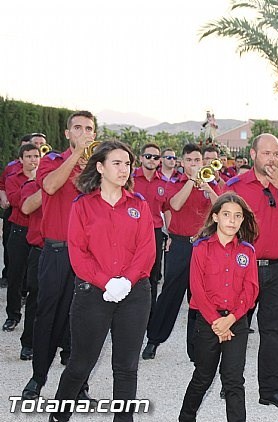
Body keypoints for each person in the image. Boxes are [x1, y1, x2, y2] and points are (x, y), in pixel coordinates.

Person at [48, 140, 155, 422]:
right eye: (116, 163)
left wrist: (127, 282)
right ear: (100, 167)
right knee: (80, 365)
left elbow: (147, 250)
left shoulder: (139, 205)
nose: (124, 169)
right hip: (93, 293)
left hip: (134, 294)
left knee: (126, 367)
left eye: (127, 164)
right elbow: (78, 253)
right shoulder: (82, 206)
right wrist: (106, 282)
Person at [225, 133, 278, 409]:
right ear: (253, 155)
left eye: (276, 153)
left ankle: (272, 390)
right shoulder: (237, 186)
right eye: (266, 153)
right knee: (236, 326)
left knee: (274, 330)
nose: (272, 159)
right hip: (243, 269)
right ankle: (231, 384)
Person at [22, 111, 97, 402]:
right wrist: (76, 155)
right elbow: (51, 186)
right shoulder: (52, 160)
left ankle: (79, 385)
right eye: (77, 128)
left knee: (84, 322)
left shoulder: (98, 165)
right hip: (56, 251)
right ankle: (37, 378)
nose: (83, 132)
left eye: (88, 128)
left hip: (88, 256)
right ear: (68, 133)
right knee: (47, 318)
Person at [179, 192, 259, 422]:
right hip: (208, 322)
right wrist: (217, 322)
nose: (232, 220)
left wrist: (231, 319)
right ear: (215, 217)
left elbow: (251, 290)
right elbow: (197, 288)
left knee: (234, 380)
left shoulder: (247, 251)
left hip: (236, 323)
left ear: (243, 220)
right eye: (226, 215)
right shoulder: (201, 248)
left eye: (237, 216)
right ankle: (185, 417)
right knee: (203, 376)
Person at [142, 144, 221, 361]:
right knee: (169, 294)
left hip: (204, 247)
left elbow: (221, 207)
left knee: (199, 298)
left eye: (198, 160)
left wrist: (207, 187)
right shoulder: (174, 183)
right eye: (190, 160)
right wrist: (191, 182)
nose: (194, 164)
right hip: (180, 245)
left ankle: (195, 348)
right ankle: (153, 340)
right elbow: (175, 205)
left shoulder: (210, 182)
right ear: (182, 162)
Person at [3, 143, 40, 332]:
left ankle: (34, 321)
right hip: (19, 230)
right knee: (15, 276)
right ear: (20, 160)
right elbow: (17, 202)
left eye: (36, 156)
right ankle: (12, 315)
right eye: (28, 156)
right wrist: (32, 181)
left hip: (38, 233)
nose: (33, 160)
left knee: (35, 281)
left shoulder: (46, 179)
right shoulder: (12, 178)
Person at [132, 143, 169, 324]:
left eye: (155, 157)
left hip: (154, 232)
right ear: (140, 158)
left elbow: (167, 209)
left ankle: (149, 315)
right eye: (148, 156)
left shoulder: (163, 183)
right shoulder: (128, 179)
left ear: (159, 160)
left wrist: (169, 235)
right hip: (130, 231)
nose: (152, 160)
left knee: (152, 275)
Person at [18, 171, 44, 361]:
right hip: (40, 249)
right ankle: (29, 343)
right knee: (36, 299)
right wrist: (51, 186)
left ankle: (67, 347)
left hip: (71, 249)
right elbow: (26, 208)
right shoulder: (31, 186)